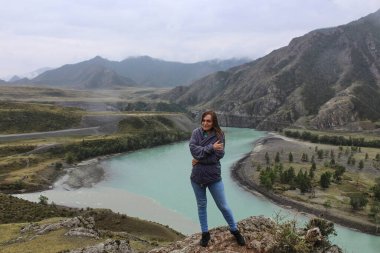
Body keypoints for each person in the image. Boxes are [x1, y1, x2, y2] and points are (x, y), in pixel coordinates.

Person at [189, 110, 245, 247]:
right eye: (203, 120)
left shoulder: (219, 135)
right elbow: (193, 150)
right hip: (197, 177)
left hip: (213, 177)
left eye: (208, 121)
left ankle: (234, 230)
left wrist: (199, 159)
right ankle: (205, 234)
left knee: (223, 206)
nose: (205, 123)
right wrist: (211, 147)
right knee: (201, 206)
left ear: (213, 122)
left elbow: (218, 157)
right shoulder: (196, 133)